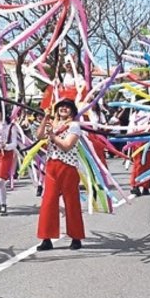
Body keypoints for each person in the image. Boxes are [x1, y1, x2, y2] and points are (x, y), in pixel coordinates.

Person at [36, 98, 85, 251]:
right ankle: (46, 238)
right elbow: (39, 136)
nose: (63, 108)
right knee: (48, 202)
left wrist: (52, 136)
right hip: (52, 166)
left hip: (68, 167)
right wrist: (45, 119)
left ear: (72, 111)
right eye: (61, 106)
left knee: (71, 202)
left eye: (67, 107)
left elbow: (67, 145)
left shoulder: (74, 126)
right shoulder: (53, 124)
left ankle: (76, 237)